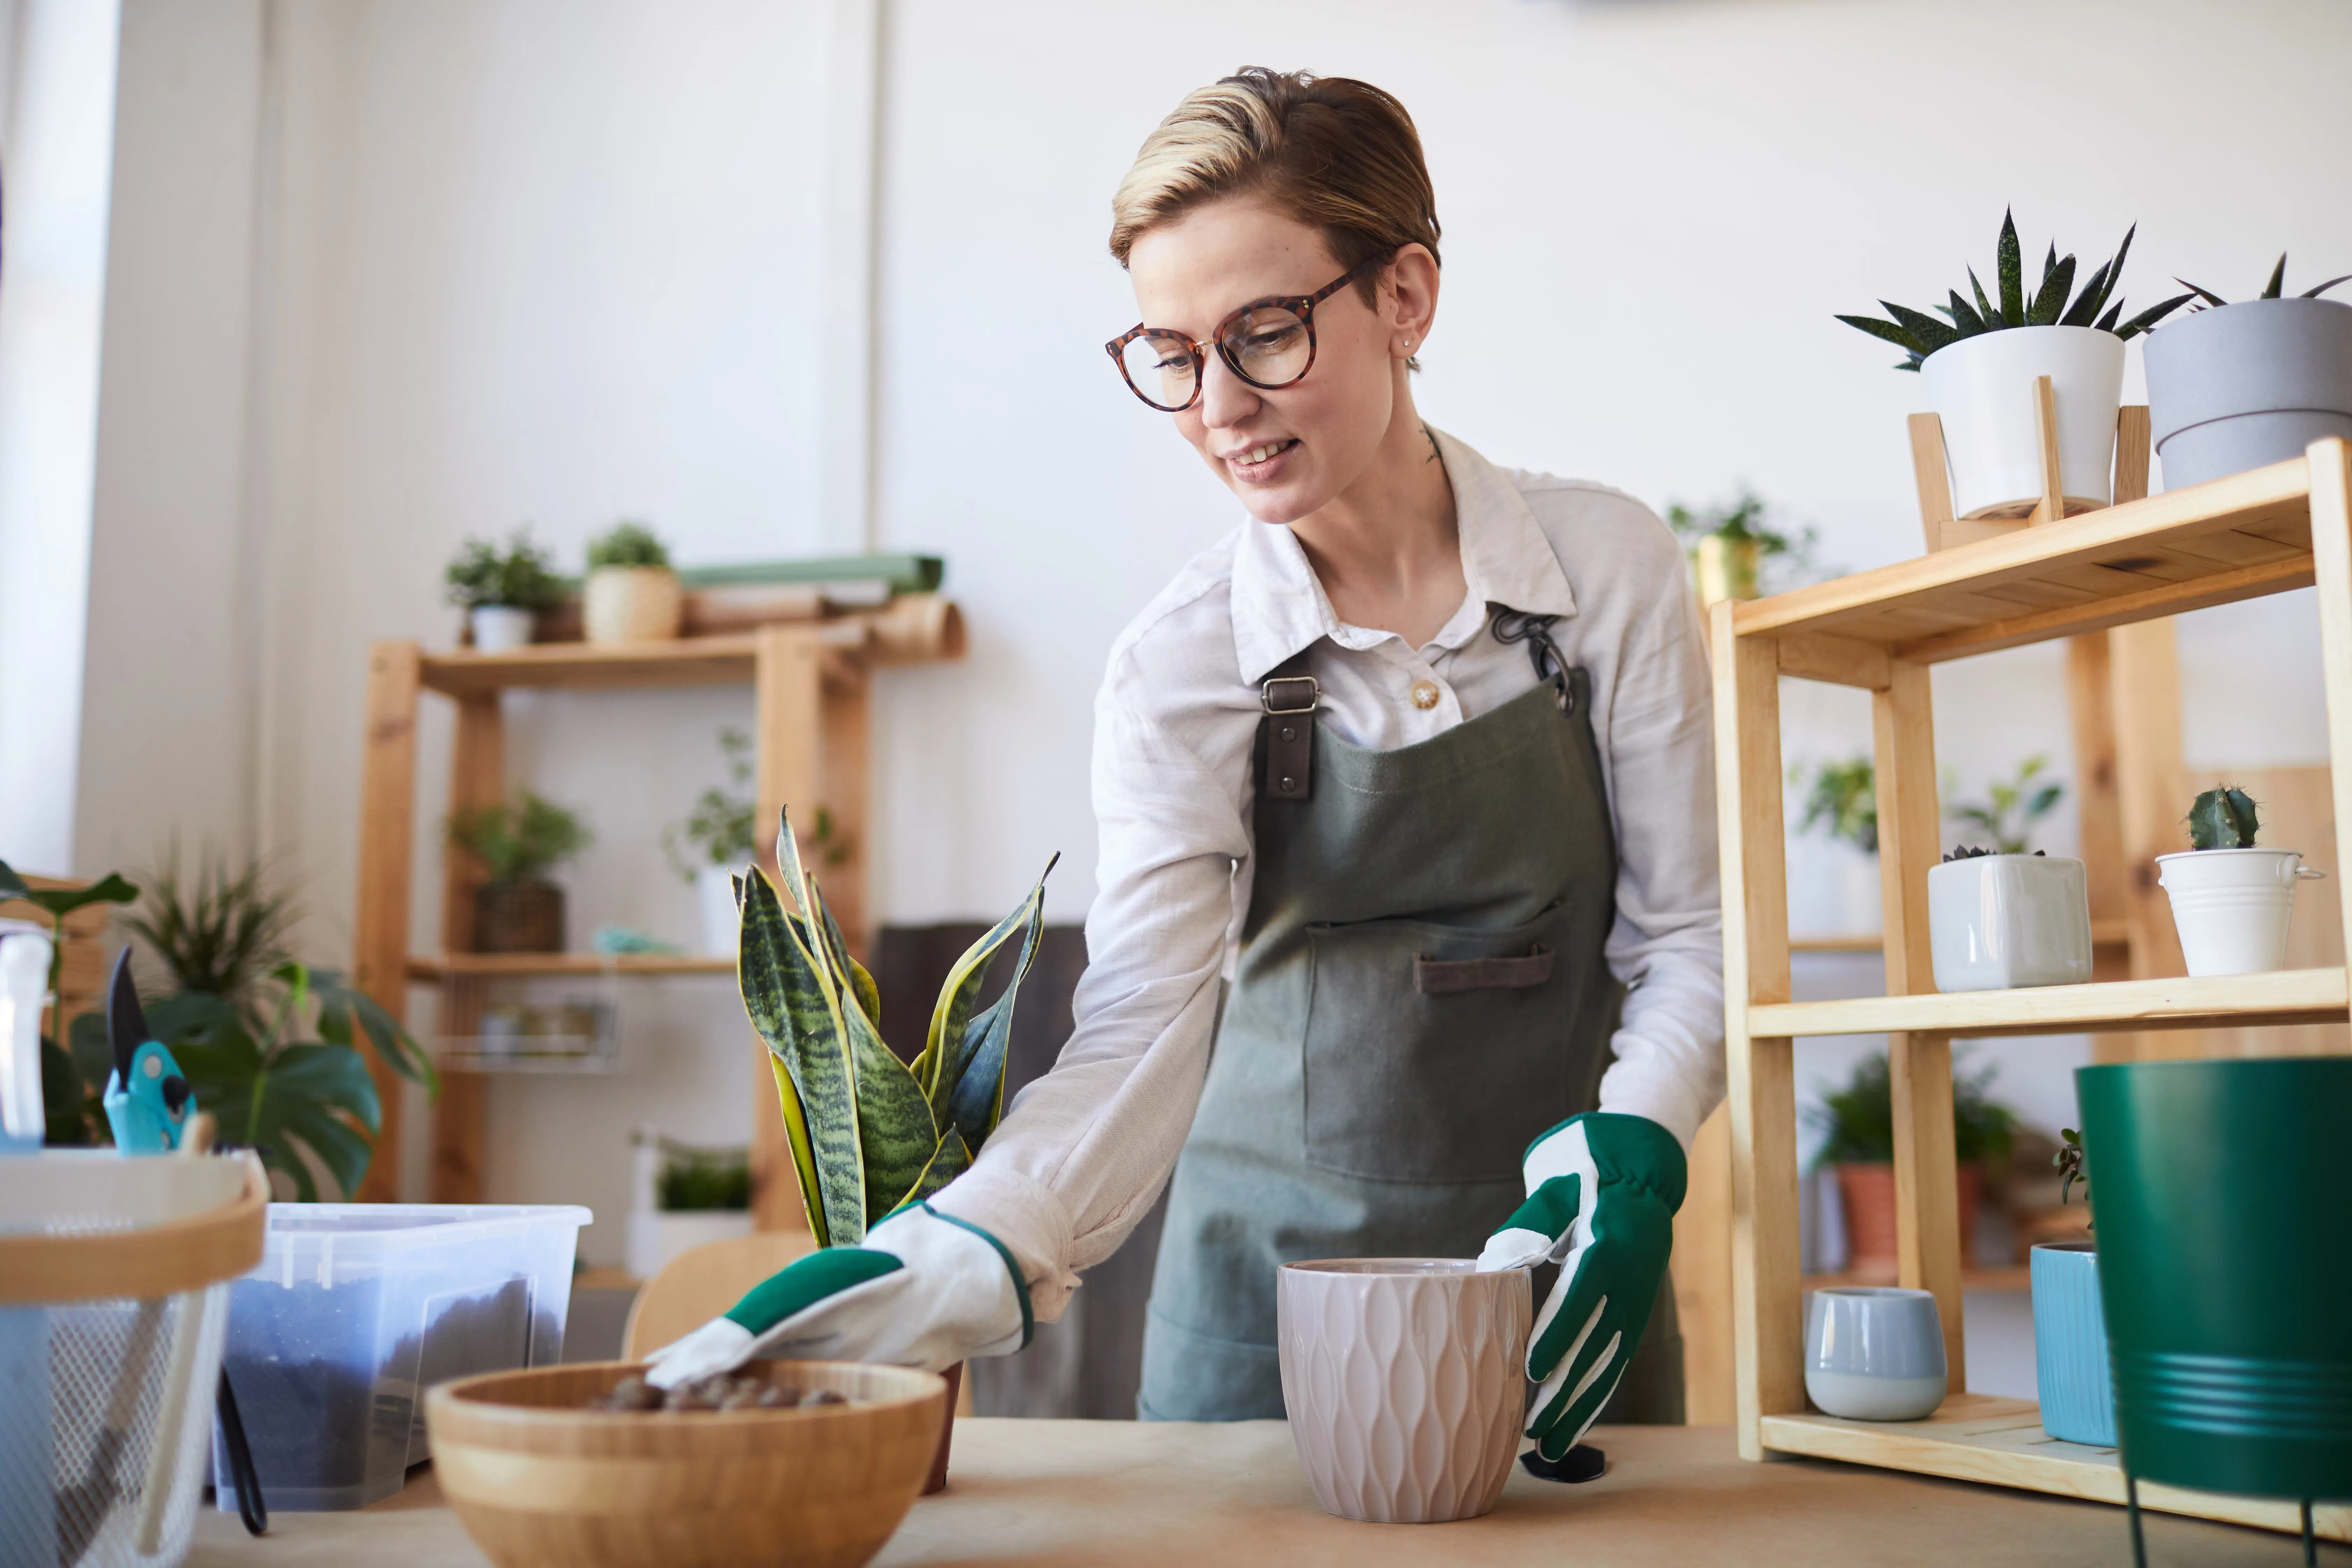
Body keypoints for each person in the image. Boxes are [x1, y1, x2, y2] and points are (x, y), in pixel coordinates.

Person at [648, 67, 1724, 1463]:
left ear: (1406, 296)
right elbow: (1148, 1019)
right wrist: (970, 1241)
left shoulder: (1607, 568)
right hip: (1260, 1328)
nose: (1217, 405)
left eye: (1265, 334)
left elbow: (1686, 937)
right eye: (1172, 353)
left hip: (1565, 1288)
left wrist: (1632, 1153)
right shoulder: (1185, 663)